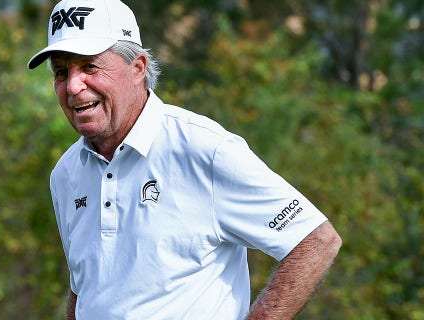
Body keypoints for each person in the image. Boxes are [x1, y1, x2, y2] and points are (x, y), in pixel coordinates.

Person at [27, 0, 342, 319]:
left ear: (137, 69)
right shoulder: (66, 174)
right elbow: (84, 290)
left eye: (89, 67)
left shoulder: (204, 148)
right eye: (62, 72)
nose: (73, 86)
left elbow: (315, 240)